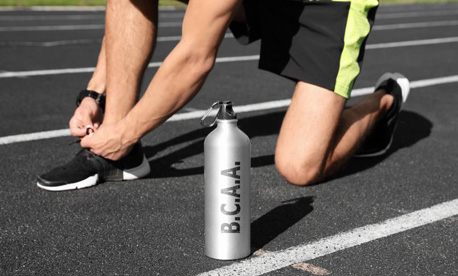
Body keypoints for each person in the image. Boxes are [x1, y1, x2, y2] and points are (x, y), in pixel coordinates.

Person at [37, 0, 410, 191]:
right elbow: (121, 19)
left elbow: (194, 58)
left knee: (301, 166)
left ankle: (384, 101)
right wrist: (95, 93)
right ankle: (122, 156)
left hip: (322, 3)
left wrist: (123, 135)